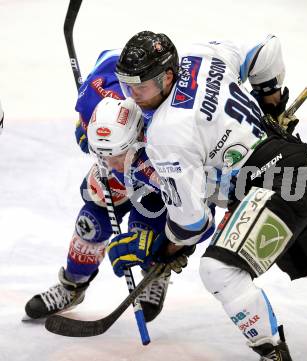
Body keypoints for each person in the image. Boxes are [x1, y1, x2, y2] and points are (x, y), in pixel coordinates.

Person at [105, 31, 307, 360]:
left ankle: (273, 354)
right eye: (126, 84)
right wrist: (271, 101)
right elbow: (265, 51)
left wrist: (164, 249)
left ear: (167, 77)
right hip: (300, 169)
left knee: (219, 269)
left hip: (271, 184)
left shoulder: (166, 132)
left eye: (139, 86)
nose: (132, 95)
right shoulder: (200, 56)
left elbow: (192, 223)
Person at [24, 51, 210, 321]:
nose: (114, 163)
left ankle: (155, 270)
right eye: (105, 154)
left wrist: (167, 249)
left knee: (145, 231)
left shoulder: (165, 137)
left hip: (154, 176)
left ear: (138, 136)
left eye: (118, 155)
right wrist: (84, 127)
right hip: (130, 161)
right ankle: (72, 286)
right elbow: (109, 57)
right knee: (90, 221)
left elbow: (197, 212)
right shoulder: (93, 99)